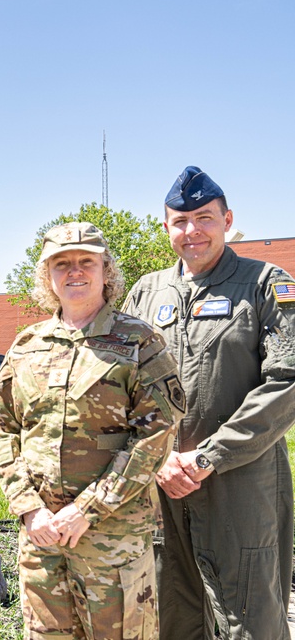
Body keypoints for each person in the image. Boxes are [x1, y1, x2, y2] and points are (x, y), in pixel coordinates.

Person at [122, 166, 295, 640]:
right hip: (162, 485)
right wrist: (156, 458)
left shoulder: (265, 283)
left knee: (250, 615)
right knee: (171, 608)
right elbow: (123, 386)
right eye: (180, 221)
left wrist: (207, 456)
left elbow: (287, 380)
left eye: (204, 218)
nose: (192, 230)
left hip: (241, 482)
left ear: (227, 219)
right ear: (166, 228)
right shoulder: (146, 291)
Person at [0, 222, 184, 640]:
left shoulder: (140, 342)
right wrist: (27, 507)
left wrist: (87, 510)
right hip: (40, 537)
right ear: (47, 276)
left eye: (86, 262)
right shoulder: (26, 345)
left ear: (106, 270)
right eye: (61, 263)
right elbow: (2, 427)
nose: (74, 271)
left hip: (112, 542)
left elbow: (156, 435)